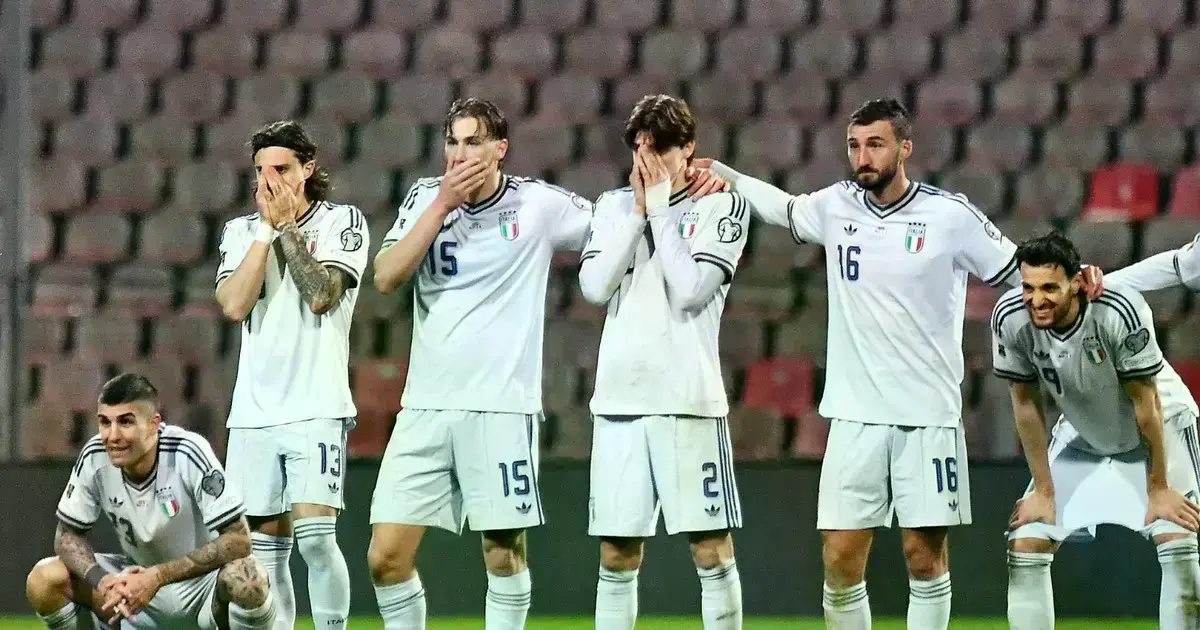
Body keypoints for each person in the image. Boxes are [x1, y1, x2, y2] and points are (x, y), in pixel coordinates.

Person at [684, 98, 1099, 630]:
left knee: (924, 560)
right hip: (854, 417)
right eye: (854, 145)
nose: (863, 156)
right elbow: (783, 207)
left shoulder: (951, 216)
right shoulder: (836, 206)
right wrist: (725, 174)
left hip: (927, 416)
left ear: (905, 147)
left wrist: (1075, 274)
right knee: (838, 559)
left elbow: (1020, 271)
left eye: (875, 144)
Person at [368, 97, 593, 630]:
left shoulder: (537, 206)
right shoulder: (426, 197)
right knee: (385, 557)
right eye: (453, 141)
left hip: (499, 408)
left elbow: (612, 225)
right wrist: (441, 206)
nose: (461, 153)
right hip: (424, 407)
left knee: (502, 554)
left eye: (473, 141)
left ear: (500, 149)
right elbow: (385, 275)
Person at [579, 94, 747, 630]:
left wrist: (660, 208)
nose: (647, 163)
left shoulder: (721, 205)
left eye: (661, 151)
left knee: (710, 550)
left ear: (689, 149)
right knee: (616, 556)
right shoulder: (609, 207)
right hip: (619, 400)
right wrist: (637, 213)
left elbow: (692, 290)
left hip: (687, 399)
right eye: (640, 151)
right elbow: (594, 286)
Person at [991, 231, 1200, 629]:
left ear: (1076, 281)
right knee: (1027, 541)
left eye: (1050, 287)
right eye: (1028, 287)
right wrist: (1044, 489)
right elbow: (1025, 404)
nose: (1037, 300)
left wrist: (1157, 488)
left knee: (1178, 543)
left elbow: (1148, 404)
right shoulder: (1010, 318)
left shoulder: (1116, 309)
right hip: (1085, 434)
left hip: (1161, 426)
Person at [215, 120, 369, 630]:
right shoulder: (239, 232)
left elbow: (322, 294)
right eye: (260, 171)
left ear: (309, 169)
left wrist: (286, 227)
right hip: (254, 413)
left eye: (281, 169)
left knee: (318, 538)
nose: (269, 182)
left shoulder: (343, 221)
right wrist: (265, 229)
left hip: (316, 406)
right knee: (263, 549)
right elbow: (235, 305)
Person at [25, 373, 276, 630]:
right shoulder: (94, 456)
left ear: (154, 424)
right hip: (134, 588)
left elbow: (239, 539)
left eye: (125, 422)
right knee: (44, 578)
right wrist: (103, 580)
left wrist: (157, 577)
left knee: (248, 579)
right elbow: (67, 536)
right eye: (104, 422)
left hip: (202, 589)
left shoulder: (187, 452)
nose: (112, 436)